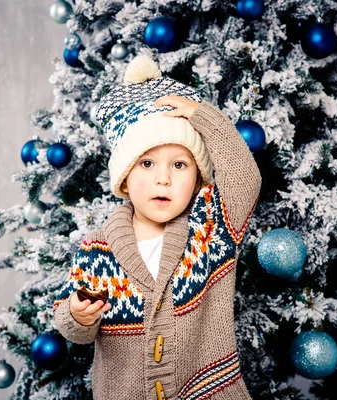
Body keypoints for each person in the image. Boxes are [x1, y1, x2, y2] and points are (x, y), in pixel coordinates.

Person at [52, 55, 261, 400]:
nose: (163, 178)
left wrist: (202, 116)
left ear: (197, 180)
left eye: (179, 165)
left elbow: (245, 179)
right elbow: (72, 328)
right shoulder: (96, 250)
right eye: (147, 163)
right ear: (125, 177)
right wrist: (78, 315)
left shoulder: (208, 228)